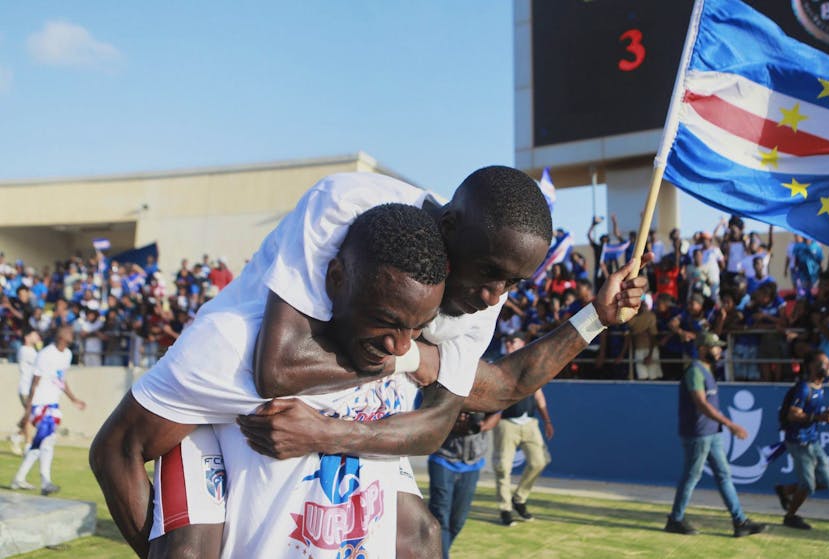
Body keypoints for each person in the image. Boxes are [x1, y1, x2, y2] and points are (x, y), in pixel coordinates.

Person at [90, 169, 649, 558]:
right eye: (487, 274)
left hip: (343, 420)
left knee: (421, 537)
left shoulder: (477, 294)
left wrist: (595, 318)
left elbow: (483, 394)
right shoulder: (340, 213)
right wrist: (415, 359)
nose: (492, 297)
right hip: (230, 405)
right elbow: (275, 368)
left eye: (512, 283)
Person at [664, 332, 767, 538]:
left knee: (724, 475)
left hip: (712, 433)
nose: (719, 350)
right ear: (703, 349)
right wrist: (730, 424)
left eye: (719, 347)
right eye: (715, 347)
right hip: (698, 435)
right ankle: (675, 519)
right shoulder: (695, 371)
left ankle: (740, 522)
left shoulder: (707, 370)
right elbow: (701, 404)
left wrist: (723, 426)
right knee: (692, 476)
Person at [11, 325, 87, 495]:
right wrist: (27, 410)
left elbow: (61, 380)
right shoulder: (45, 354)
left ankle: (20, 478)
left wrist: (73, 399)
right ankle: (45, 482)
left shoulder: (67, 354)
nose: (71, 333)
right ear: (60, 336)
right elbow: (34, 383)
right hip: (39, 403)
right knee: (46, 439)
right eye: (68, 332)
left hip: (53, 403)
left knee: (45, 441)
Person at [493, 333, 554, 526]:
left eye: (514, 341)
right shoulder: (499, 365)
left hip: (529, 423)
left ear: (523, 343)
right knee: (503, 467)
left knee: (539, 461)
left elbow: (539, 395)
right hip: (506, 423)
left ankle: (519, 498)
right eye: (507, 342)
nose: (509, 344)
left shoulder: (531, 366)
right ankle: (505, 509)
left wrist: (547, 420)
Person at [775, 350, 829, 530]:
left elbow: (813, 413)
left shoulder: (819, 386)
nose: (827, 367)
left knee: (826, 482)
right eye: (822, 364)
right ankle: (790, 516)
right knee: (807, 485)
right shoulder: (804, 388)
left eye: (828, 363)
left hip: (813, 440)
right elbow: (793, 415)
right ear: (811, 366)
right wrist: (819, 418)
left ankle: (785, 490)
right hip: (798, 442)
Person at [427, 410, 500, 558]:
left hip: (472, 463)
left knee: (458, 521)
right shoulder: (439, 392)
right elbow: (426, 412)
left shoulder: (485, 395)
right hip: (442, 457)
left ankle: (432, 552)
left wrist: (480, 426)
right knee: (440, 516)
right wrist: (450, 422)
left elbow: (496, 413)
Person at [10, 329, 42, 455]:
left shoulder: (33, 351)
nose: (37, 336)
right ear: (27, 337)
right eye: (34, 334)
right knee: (30, 417)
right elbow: (41, 361)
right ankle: (28, 446)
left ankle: (17, 436)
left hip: (33, 390)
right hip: (25, 389)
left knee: (32, 417)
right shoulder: (24, 350)